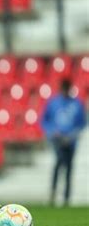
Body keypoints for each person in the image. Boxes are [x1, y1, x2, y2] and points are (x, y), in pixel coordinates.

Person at [41, 78, 86, 206]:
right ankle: (53, 192)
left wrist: (73, 134)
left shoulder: (77, 103)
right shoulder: (53, 103)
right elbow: (45, 120)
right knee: (59, 162)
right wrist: (52, 132)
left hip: (71, 141)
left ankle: (66, 196)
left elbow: (82, 122)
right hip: (57, 140)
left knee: (69, 167)